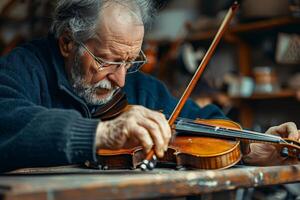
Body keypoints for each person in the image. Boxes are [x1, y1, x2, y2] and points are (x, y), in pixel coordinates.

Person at [0, 0, 299, 172]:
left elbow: (200, 125)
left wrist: (249, 146)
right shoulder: (25, 68)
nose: (120, 79)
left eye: (130, 62)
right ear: (67, 43)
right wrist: (101, 134)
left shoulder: (143, 88)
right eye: (107, 61)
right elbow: (7, 121)